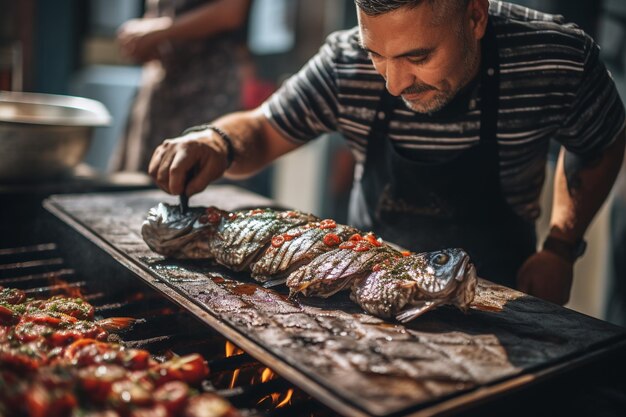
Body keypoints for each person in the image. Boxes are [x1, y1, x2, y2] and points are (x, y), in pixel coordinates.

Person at [147, 0, 626, 306]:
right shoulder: (345, 62)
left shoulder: (553, 58)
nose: (395, 84)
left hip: (496, 297)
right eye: (377, 55)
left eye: (418, 57)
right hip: (358, 289)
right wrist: (215, 140)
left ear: (475, 16)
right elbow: (262, 131)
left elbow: (601, 144)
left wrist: (561, 247)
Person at [113, 0, 252, 172]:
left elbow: (230, 12)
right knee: (147, 176)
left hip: (206, 87)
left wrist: (157, 31)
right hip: (160, 83)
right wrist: (143, 37)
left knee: (196, 173)